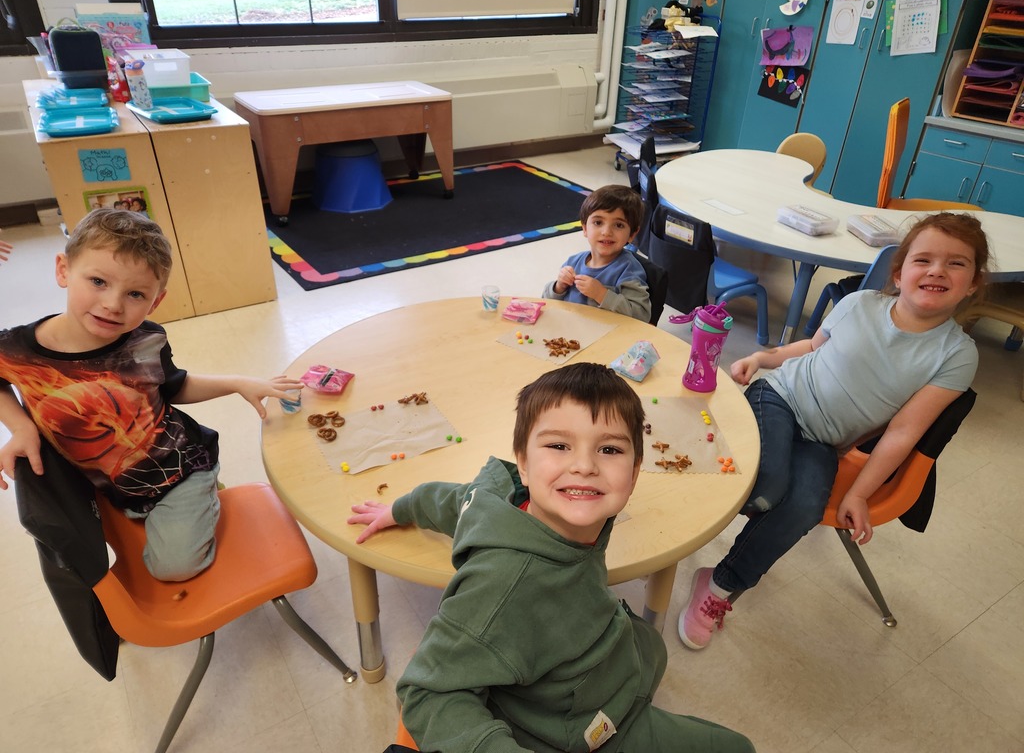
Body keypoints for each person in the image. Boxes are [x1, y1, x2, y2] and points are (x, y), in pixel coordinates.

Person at [349, 362, 755, 753]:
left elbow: (453, 501)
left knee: (650, 646)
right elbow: (426, 693)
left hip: (596, 662)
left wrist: (399, 509)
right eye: (559, 446)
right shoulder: (503, 588)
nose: (584, 466)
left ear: (633, 474)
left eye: (609, 449)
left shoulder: (497, 496)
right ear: (523, 463)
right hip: (576, 727)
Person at [679, 212, 988, 650]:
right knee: (766, 489)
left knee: (803, 507)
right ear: (899, 274)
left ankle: (717, 586)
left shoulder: (957, 354)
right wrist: (763, 359)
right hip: (779, 398)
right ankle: (685, 514)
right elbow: (811, 348)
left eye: (956, 264)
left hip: (825, 441)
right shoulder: (860, 303)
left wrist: (859, 492)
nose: (938, 270)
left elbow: (903, 432)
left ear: (974, 281)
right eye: (924, 260)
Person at [0, 206, 303, 582]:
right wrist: (20, 427)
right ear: (63, 270)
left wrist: (239, 382)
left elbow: (173, 386)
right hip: (112, 486)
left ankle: (207, 491)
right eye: (98, 281)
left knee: (172, 570)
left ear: (155, 302)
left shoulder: (147, 340)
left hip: (179, 470)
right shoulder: (16, 348)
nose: (113, 304)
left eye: (135, 294)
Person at [542, 184, 651, 323]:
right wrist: (558, 287)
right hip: (569, 333)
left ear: (632, 234)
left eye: (619, 225)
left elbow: (642, 316)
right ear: (585, 228)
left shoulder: (629, 270)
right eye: (598, 222)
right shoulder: (573, 262)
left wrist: (602, 295)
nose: (606, 232)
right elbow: (546, 302)